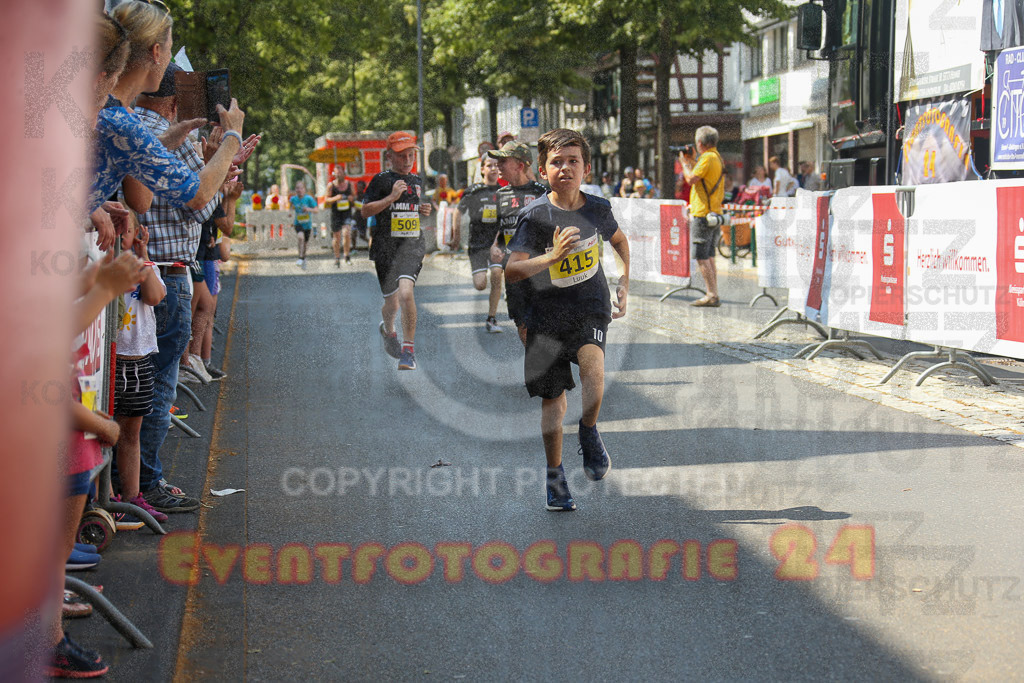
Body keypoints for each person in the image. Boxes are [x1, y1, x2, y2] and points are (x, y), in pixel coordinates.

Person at [112, 4, 249, 516]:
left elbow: (144, 199)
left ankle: (131, 487)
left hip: (137, 273)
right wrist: (228, 140)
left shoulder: (121, 119)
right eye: (171, 50)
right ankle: (140, 485)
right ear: (155, 54)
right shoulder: (117, 119)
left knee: (134, 397)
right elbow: (196, 199)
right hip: (149, 274)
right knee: (145, 393)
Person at [505, 128, 630, 511]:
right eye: (556, 162)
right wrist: (551, 257)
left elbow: (620, 242)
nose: (565, 168)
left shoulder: (597, 208)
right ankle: (555, 477)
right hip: (543, 314)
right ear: (543, 171)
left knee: (594, 369)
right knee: (553, 402)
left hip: (590, 306)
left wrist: (626, 279)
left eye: (573, 161)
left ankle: (589, 430)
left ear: (586, 168)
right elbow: (511, 271)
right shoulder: (534, 216)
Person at [112, 212, 169, 525]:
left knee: (131, 433)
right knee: (104, 433)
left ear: (137, 233)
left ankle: (132, 496)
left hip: (139, 360)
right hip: (110, 361)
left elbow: (156, 296)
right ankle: (106, 499)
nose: (122, 236)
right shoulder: (99, 265)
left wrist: (143, 256)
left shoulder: (144, 265)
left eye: (128, 230)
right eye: (117, 228)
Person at [362, 131, 433, 370]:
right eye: (402, 156)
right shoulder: (380, 180)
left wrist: (422, 210)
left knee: (406, 294)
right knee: (392, 304)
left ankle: (408, 351)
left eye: (411, 155)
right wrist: (391, 197)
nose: (407, 160)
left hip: (411, 245)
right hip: (385, 248)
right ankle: (388, 329)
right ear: (390, 156)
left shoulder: (417, 181)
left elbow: (411, 209)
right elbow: (365, 211)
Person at [488, 141, 548, 344]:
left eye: (503, 161)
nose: (498, 166)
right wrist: (494, 247)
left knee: (544, 325)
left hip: (541, 271)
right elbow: (495, 231)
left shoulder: (543, 194)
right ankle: (537, 370)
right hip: (513, 272)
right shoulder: (499, 196)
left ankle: (547, 371)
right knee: (522, 325)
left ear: (520, 165)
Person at [457, 155, 504, 332]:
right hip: (477, 244)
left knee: (497, 274)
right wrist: (455, 236)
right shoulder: (473, 191)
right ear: (482, 169)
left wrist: (498, 242)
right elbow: (458, 212)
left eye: (496, 166)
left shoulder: (503, 192)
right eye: (489, 165)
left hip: (496, 244)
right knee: (480, 285)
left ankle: (491, 319)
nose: (493, 168)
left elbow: (506, 220)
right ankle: (481, 275)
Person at [681, 125, 726, 308]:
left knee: (701, 256)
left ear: (700, 143)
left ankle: (711, 293)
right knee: (709, 255)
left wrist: (684, 164)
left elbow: (691, 179)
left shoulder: (707, 158)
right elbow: (700, 176)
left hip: (703, 212)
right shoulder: (716, 157)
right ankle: (713, 292)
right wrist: (692, 161)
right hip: (714, 211)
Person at [326, 169, 355, 266]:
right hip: (336, 213)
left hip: (346, 212)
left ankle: (347, 256)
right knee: (337, 236)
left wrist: (351, 199)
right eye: (337, 174)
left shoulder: (349, 184)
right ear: (334, 175)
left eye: (340, 173)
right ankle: (337, 257)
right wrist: (336, 198)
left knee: (346, 233)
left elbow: (354, 197)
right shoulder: (331, 185)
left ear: (344, 174)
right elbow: (327, 200)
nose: (339, 176)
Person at [291, 182, 318, 267]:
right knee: (300, 237)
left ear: (304, 189)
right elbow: (290, 209)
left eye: (301, 188)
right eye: (297, 188)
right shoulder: (293, 199)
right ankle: (300, 257)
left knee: (305, 243)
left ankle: (303, 256)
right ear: (295, 190)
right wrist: (290, 214)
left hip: (307, 224)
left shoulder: (309, 199)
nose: (299, 190)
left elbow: (316, 210)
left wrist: (308, 209)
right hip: (298, 223)